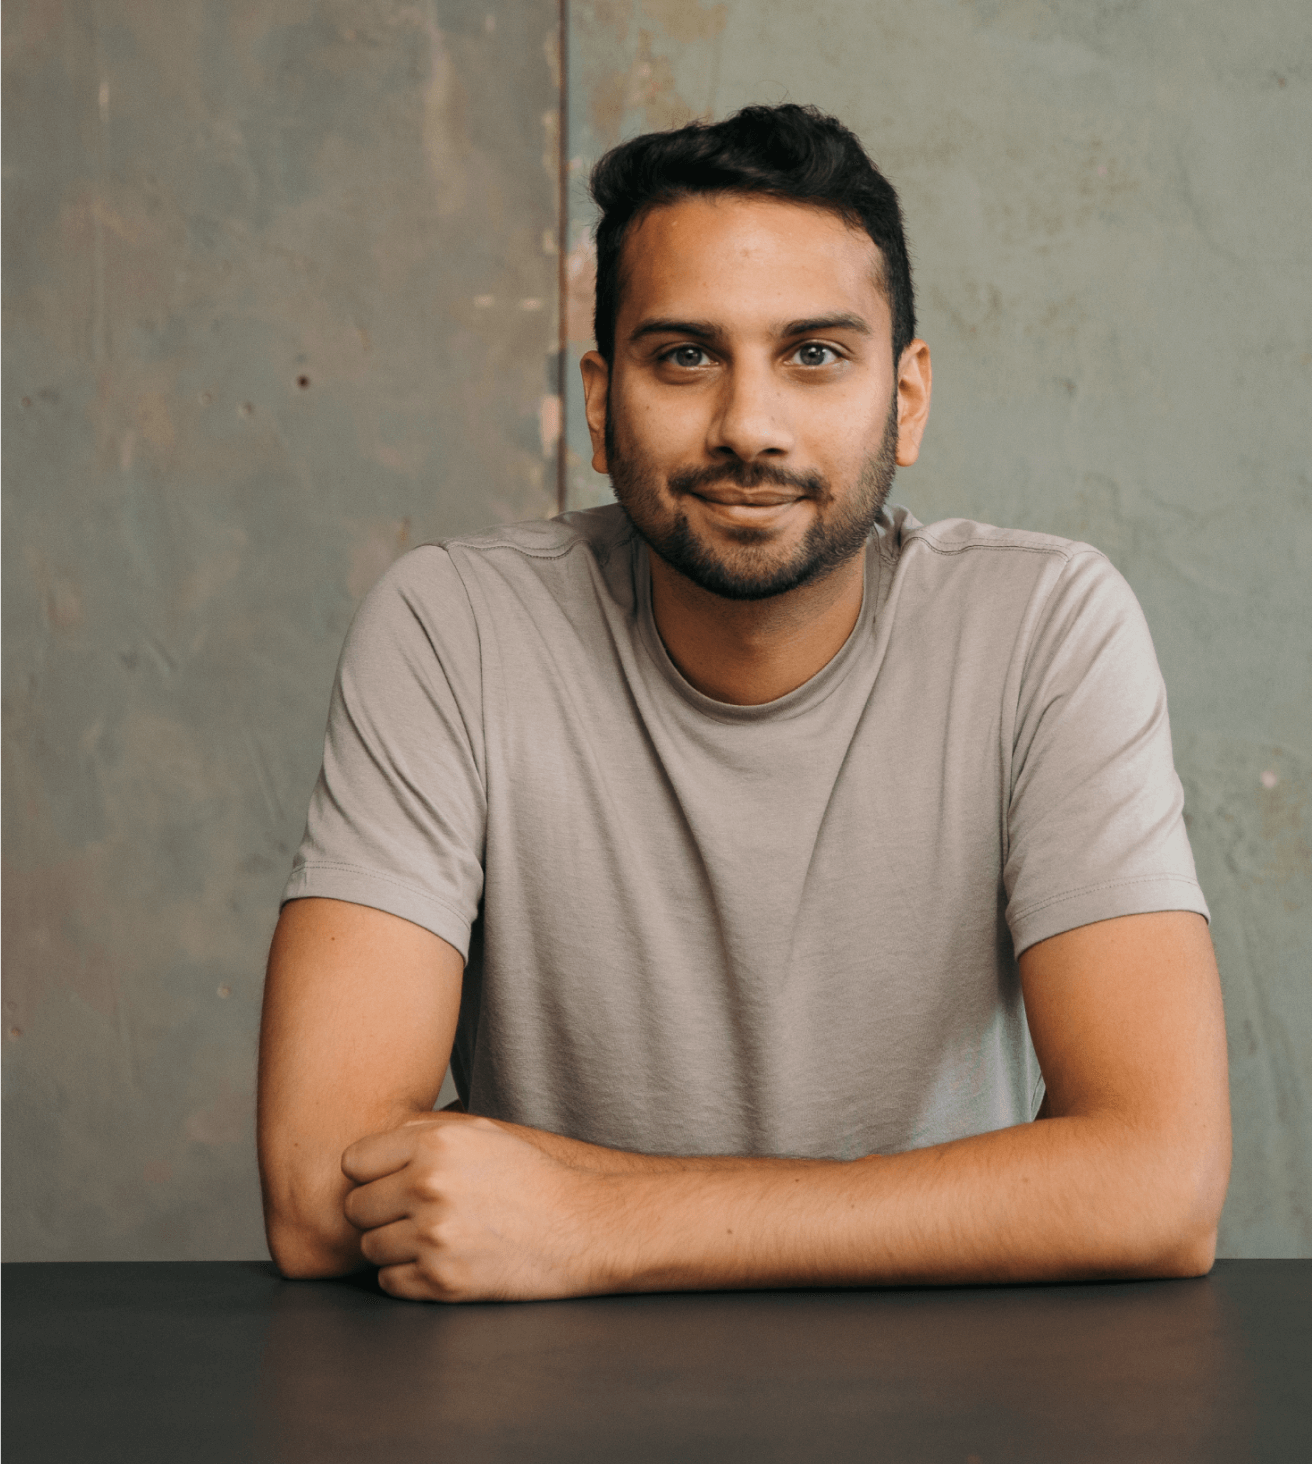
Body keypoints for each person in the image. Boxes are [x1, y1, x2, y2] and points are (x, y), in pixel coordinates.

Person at [256, 105, 1230, 1303]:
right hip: (540, 1393)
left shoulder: (1042, 627)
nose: (748, 428)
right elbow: (316, 1192)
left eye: (814, 354)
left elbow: (1160, 1181)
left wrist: (600, 1224)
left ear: (906, 396)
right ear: (602, 403)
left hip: (947, 1389)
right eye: (684, 356)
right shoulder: (452, 629)